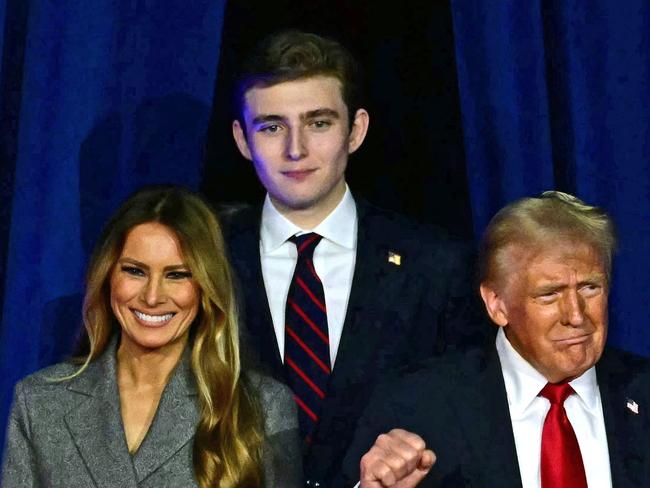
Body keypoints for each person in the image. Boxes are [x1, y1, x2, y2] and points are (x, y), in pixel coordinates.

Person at [225, 30, 482, 485]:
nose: (296, 149)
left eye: (318, 123)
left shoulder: (435, 266)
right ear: (243, 140)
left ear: (356, 130)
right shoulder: (205, 258)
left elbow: (467, 423)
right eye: (272, 127)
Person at [343, 191, 650, 487]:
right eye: (549, 294)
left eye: (589, 288)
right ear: (497, 304)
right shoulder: (420, 407)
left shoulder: (642, 391)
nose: (576, 315)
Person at [1, 186, 302, 487]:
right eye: (135, 271)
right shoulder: (39, 402)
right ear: (108, 276)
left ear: (205, 287)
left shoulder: (264, 407)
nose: (153, 296)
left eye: (177, 275)